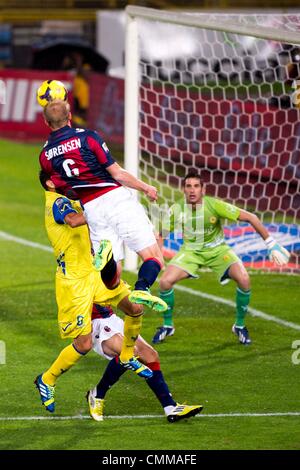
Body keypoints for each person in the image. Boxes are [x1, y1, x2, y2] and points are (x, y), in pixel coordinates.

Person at [35, 170, 160, 414]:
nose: (64, 176)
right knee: (82, 343)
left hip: (94, 273)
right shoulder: (57, 202)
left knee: (135, 307)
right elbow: (72, 220)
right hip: (75, 282)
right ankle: (47, 379)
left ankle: (126, 355)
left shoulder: (72, 197)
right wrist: (102, 211)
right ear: (50, 182)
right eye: (57, 175)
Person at [39, 99, 166, 313]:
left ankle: (106, 258)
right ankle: (142, 288)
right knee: (154, 256)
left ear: (46, 122)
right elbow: (117, 174)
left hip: (91, 209)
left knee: (112, 280)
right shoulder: (88, 137)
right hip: (116, 199)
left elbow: (66, 189)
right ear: (70, 116)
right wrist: (145, 188)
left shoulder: (45, 156)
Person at [152, 170, 290, 346]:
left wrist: (271, 243)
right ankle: (167, 325)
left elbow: (251, 217)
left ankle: (239, 326)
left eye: (196, 186)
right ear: (183, 190)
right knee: (164, 282)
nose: (192, 190)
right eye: (188, 186)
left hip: (219, 251)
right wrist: (158, 258)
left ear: (203, 190)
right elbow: (160, 234)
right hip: (191, 252)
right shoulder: (177, 209)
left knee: (244, 279)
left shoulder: (214, 205)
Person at [86, 303, 203, 423]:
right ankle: (98, 394)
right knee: (129, 352)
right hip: (94, 322)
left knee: (151, 356)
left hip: (111, 318)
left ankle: (170, 407)